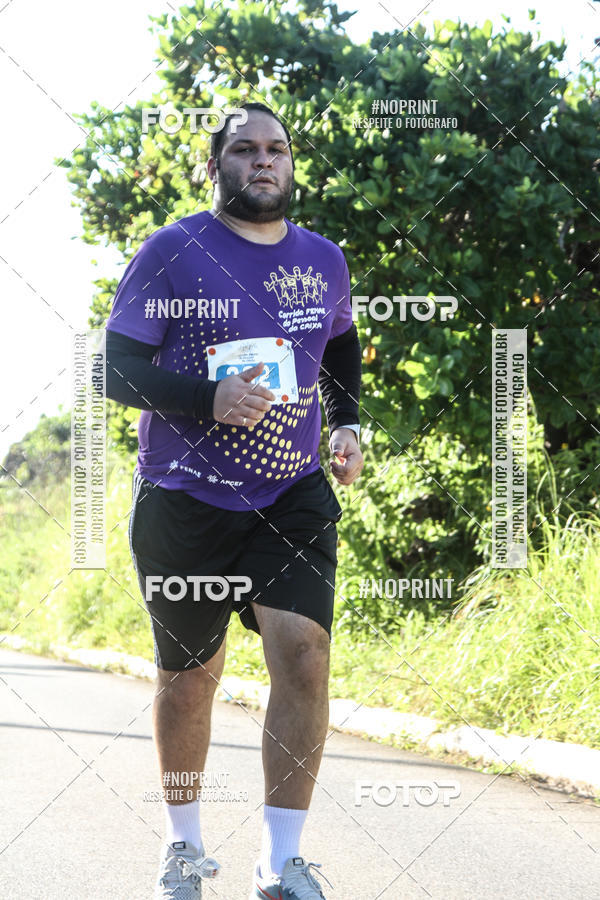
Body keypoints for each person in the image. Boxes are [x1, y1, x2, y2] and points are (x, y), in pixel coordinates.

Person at [105, 101, 363, 899]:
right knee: (190, 677)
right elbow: (112, 370)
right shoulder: (172, 251)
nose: (264, 159)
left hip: (290, 494)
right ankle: (183, 847)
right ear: (215, 163)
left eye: (277, 148)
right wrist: (204, 399)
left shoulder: (324, 259)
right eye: (245, 148)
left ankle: (280, 861)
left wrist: (348, 420)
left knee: (305, 655)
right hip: (185, 497)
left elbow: (342, 338)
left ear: (290, 164)